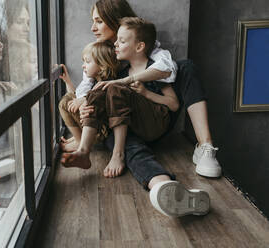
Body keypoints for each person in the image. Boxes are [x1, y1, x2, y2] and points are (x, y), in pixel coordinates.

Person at [62, 17, 210, 217]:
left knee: (112, 87)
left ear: (139, 46)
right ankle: (163, 186)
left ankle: (117, 154)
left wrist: (146, 93)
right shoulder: (120, 70)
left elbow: (174, 104)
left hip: (154, 123)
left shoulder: (154, 68)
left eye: (122, 41)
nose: (116, 44)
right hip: (129, 128)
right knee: (104, 95)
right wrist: (87, 103)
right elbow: (95, 85)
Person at [77, 0, 221, 178]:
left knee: (186, 66)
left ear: (115, 20)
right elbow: (87, 84)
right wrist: (85, 102)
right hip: (124, 125)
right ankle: (160, 183)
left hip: (156, 118)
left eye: (99, 21)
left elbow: (167, 68)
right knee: (121, 142)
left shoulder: (144, 46)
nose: (93, 28)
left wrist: (129, 81)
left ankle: (205, 146)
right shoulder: (100, 52)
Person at [58, 40, 120, 153]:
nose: (83, 66)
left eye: (87, 62)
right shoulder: (94, 82)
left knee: (65, 102)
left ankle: (79, 141)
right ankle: (78, 139)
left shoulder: (105, 86)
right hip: (97, 129)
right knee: (68, 99)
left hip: (101, 131)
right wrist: (67, 81)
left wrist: (83, 101)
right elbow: (75, 96)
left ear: (102, 65)